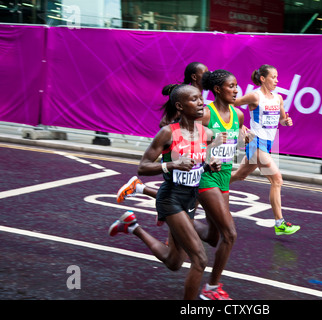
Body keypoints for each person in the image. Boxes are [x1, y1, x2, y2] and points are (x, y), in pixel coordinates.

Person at [108, 84, 221, 300]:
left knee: (173, 262)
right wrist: (171, 165)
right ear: (180, 106)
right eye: (194, 99)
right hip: (170, 199)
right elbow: (142, 167)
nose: (201, 103)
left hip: (190, 200)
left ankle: (132, 226)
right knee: (200, 259)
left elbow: (198, 165)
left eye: (201, 99)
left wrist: (210, 165)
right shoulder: (168, 133)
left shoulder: (207, 133)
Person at [116, 62, 208, 203]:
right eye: (205, 73)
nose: (208, 75)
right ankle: (154, 203)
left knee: (190, 200)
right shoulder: (185, 95)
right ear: (195, 77)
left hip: (194, 155)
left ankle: (140, 195)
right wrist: (178, 138)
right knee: (183, 199)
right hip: (178, 153)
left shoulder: (200, 97)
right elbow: (164, 123)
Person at [230, 64, 300, 236]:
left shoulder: (278, 99)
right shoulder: (255, 96)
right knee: (277, 179)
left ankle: (206, 187)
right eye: (273, 77)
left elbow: (282, 120)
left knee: (240, 175)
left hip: (268, 143)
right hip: (254, 141)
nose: (277, 80)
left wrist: (286, 122)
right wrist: (241, 126)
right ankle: (280, 223)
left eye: (277, 77)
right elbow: (230, 105)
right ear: (263, 78)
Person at [195, 69, 245, 300]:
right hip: (206, 177)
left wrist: (244, 140)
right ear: (217, 89)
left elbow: (233, 148)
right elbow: (184, 145)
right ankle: (211, 289)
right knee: (230, 234)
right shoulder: (205, 114)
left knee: (213, 237)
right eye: (231, 86)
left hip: (224, 178)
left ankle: (178, 221)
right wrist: (211, 144)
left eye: (236, 86)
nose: (236, 90)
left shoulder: (239, 116)